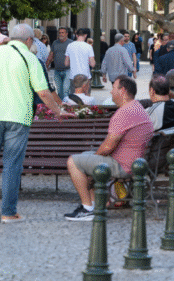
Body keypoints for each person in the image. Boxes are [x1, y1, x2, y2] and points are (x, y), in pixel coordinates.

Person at [0, 24, 63, 224]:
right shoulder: (31, 59)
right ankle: (8, 212)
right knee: (12, 165)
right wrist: (58, 111)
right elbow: (43, 93)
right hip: (19, 117)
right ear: (28, 40)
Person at [64, 76, 153, 221]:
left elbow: (107, 147)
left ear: (122, 91)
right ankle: (95, 204)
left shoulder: (124, 112)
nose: (111, 92)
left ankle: (87, 209)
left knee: (73, 161)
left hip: (123, 166)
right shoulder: (137, 108)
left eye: (113, 88)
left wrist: (97, 157)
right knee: (86, 155)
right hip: (134, 162)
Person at [47, 26, 72, 100]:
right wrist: (47, 65)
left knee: (65, 90)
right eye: (60, 33)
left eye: (62, 33)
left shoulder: (71, 43)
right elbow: (51, 54)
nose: (61, 34)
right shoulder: (55, 43)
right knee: (59, 91)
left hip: (68, 70)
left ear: (66, 34)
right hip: (57, 70)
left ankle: (67, 105)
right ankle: (62, 106)